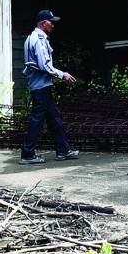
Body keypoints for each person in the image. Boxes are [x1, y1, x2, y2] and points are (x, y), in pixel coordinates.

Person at [20, 9, 79, 164]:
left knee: (54, 119)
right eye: (51, 22)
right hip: (40, 86)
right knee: (37, 120)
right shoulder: (38, 40)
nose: (53, 25)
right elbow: (44, 65)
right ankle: (27, 154)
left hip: (40, 85)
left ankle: (63, 150)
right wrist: (62, 74)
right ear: (43, 23)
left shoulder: (31, 38)